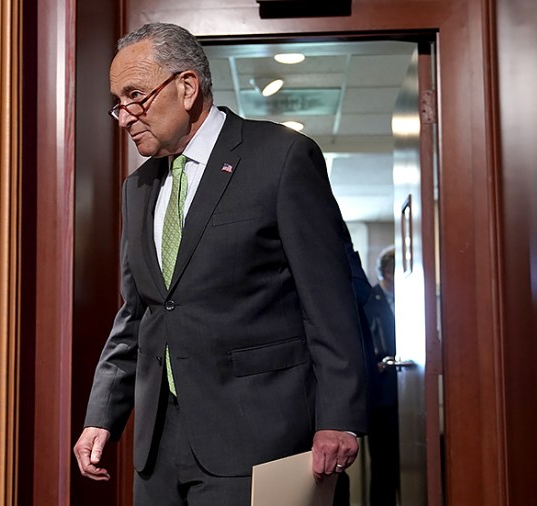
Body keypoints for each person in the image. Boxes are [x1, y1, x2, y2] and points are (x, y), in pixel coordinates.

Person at [73, 22, 367, 505]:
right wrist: (102, 416)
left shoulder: (282, 158)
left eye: (135, 96)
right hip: (159, 449)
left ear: (186, 87)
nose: (123, 116)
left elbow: (329, 303)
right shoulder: (139, 187)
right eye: (117, 101)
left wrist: (339, 418)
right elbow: (139, 314)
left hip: (258, 438)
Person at [361, 245, 400, 505]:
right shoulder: (368, 301)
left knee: (405, 462)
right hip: (381, 395)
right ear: (387, 271)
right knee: (383, 465)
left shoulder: (410, 298)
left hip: (407, 394)